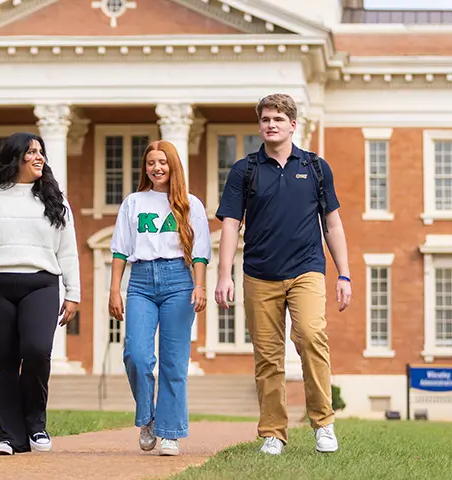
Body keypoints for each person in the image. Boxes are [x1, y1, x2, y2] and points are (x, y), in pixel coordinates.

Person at [213, 93, 352, 455]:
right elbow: (230, 224)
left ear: (293, 124)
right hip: (259, 274)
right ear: (260, 126)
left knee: (310, 336)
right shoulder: (245, 170)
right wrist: (224, 275)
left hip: (307, 268)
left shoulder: (316, 167)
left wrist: (344, 274)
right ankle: (273, 432)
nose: (271, 124)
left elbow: (332, 225)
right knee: (268, 356)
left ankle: (323, 423)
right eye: (265, 119)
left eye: (278, 119)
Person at [0, 132, 80, 456]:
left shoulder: (55, 199)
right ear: (15, 156)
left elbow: (69, 250)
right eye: (31, 152)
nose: (39, 157)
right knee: (5, 362)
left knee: (36, 350)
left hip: (41, 282)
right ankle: (9, 435)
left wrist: (73, 292)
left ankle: (35, 424)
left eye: (41, 152)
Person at [107, 139, 210, 457]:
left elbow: (201, 251)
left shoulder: (191, 204)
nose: (157, 167)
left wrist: (199, 285)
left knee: (174, 362)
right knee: (136, 355)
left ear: (173, 166)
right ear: (145, 168)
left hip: (179, 280)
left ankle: (170, 433)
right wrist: (115, 289)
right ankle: (147, 419)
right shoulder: (133, 202)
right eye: (151, 162)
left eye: (162, 162)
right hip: (140, 282)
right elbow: (121, 248)